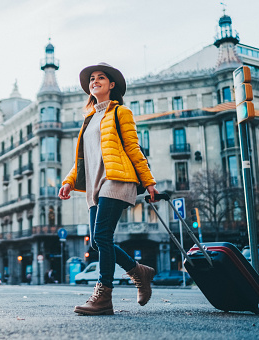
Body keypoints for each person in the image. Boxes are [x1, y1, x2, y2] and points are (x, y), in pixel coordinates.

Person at [59, 63, 159, 316]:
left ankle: (103, 296)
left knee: (103, 236)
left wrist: (149, 182)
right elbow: (83, 159)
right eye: (92, 79)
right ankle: (139, 271)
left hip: (117, 179)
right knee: (96, 241)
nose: (94, 81)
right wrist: (69, 181)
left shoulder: (120, 113)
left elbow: (134, 149)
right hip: (95, 184)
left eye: (100, 77)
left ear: (112, 85)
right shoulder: (90, 118)